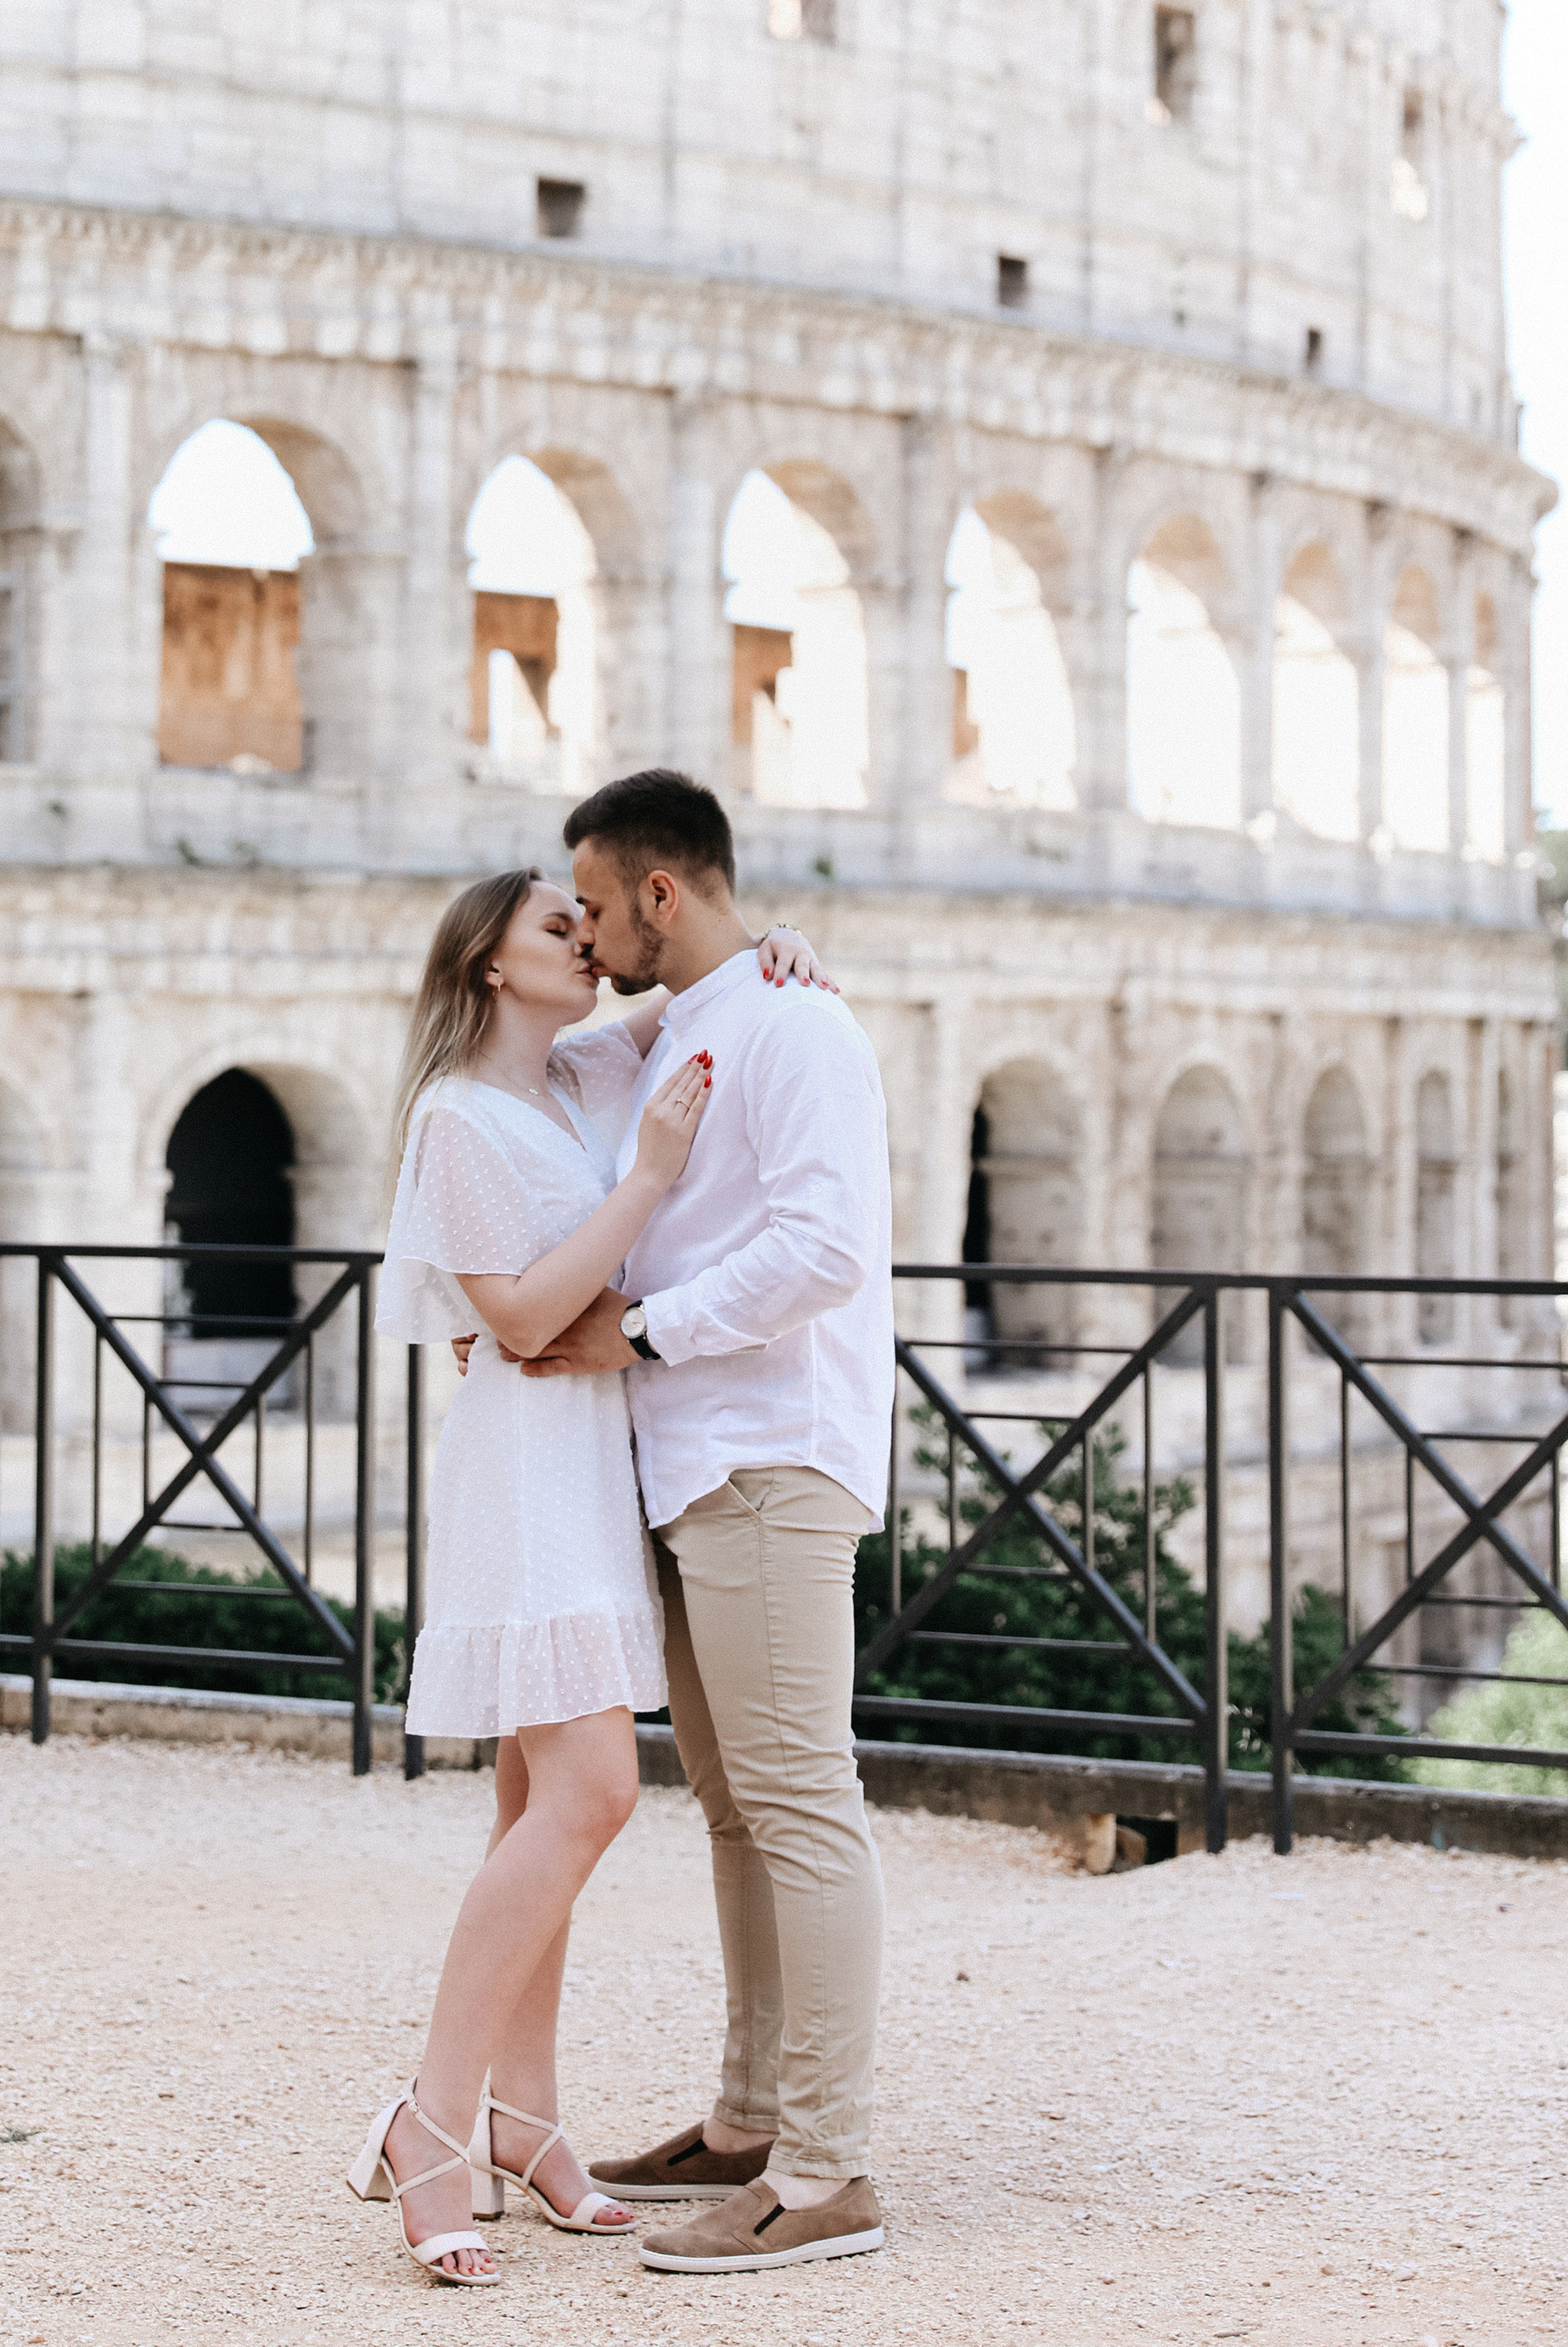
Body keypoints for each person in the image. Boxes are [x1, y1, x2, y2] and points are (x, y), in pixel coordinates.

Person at [346, 864, 823, 2287]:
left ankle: (525, 2120)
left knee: (529, 1806)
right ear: (490, 964)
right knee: (594, 1793)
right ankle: (430, 2120)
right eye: (559, 926)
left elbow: (707, 985)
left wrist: (780, 942)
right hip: (527, 1467)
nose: (590, 940)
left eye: (590, 918)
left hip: (594, 1460)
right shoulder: (456, 1115)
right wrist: (651, 1182)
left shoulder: (584, 1072)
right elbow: (520, 1317)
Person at [519, 768, 896, 2279]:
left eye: (596, 905)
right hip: (691, 1463)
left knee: (800, 1803)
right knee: (742, 1812)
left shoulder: (798, 1029)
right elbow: (522, 1045)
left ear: (661, 893)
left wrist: (639, 1332)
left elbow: (825, 1249)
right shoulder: (690, 1022)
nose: (585, 934)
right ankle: (750, 2124)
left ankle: (826, 2169)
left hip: (769, 1453)